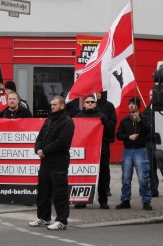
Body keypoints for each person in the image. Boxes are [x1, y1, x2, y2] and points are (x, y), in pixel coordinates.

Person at [29, 96, 75, 231]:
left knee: (59, 193)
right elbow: (40, 137)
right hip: (45, 162)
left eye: (55, 104)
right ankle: (43, 217)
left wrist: (45, 150)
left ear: (62, 106)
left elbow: (62, 142)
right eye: (51, 104)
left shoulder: (67, 122)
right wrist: (38, 149)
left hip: (58, 162)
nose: (52, 106)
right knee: (43, 191)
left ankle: (62, 220)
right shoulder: (49, 120)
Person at [74, 94, 113, 209]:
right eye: (87, 102)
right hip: (84, 152)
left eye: (92, 102)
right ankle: (81, 200)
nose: (90, 103)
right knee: (82, 175)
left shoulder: (102, 116)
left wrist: (105, 123)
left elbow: (110, 135)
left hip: (100, 151)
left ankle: (103, 201)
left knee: (102, 176)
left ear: (96, 104)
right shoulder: (79, 116)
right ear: (84, 104)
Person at [115, 97, 152, 210]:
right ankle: (125, 199)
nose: (131, 105)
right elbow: (118, 135)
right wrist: (128, 137)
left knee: (142, 177)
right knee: (126, 177)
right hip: (127, 150)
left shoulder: (144, 118)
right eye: (129, 104)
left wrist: (139, 121)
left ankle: (146, 200)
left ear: (138, 106)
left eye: (133, 104)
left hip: (140, 150)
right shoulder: (125, 120)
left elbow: (148, 131)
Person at [96, 91, 117, 196]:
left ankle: (106, 187)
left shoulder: (109, 106)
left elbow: (113, 122)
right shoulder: (93, 105)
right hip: (93, 140)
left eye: (100, 92)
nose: (98, 94)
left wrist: (104, 122)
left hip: (104, 139)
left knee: (104, 165)